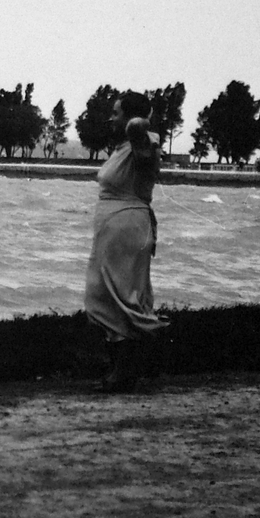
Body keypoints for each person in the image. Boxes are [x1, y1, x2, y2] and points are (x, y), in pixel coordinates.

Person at [84, 90, 166, 390]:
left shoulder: (142, 145)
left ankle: (123, 372)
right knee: (102, 295)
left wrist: (136, 122)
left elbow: (138, 134)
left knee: (124, 296)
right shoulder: (123, 149)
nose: (111, 118)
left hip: (129, 229)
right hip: (114, 230)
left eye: (116, 112)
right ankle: (121, 367)